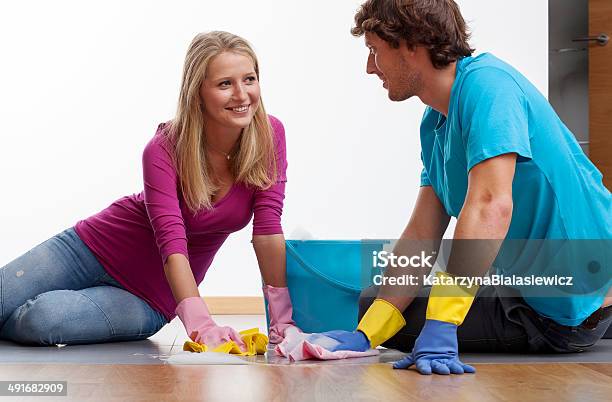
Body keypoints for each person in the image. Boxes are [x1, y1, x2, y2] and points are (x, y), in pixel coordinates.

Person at [315, 0, 612, 375]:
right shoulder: (435, 121)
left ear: (411, 43)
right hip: (548, 283)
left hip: (559, 310)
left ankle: (596, 314)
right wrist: (366, 334)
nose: (370, 67)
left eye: (375, 51)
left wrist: (442, 324)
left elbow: (491, 205)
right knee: (377, 307)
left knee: (400, 311)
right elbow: (422, 233)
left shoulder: (490, 88)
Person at [0, 31, 299, 349]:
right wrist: (202, 325)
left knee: (42, 320)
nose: (242, 95)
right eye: (225, 83)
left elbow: (267, 230)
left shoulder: (269, 135)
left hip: (149, 297)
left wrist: (283, 322)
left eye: (249, 79)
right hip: (88, 249)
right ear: (198, 92)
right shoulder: (164, 147)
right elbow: (172, 243)